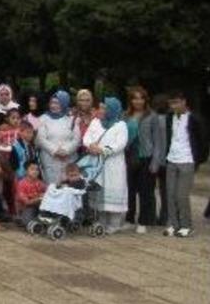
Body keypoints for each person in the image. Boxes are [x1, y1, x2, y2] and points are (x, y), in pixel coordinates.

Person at [162, 90, 207, 238]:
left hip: (187, 160)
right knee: (170, 194)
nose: (173, 106)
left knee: (181, 195)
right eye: (171, 103)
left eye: (176, 102)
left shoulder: (194, 119)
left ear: (184, 102)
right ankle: (172, 224)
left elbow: (203, 141)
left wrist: (198, 160)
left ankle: (186, 225)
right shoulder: (170, 117)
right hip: (171, 159)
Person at [83, 97, 129, 234]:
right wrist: (90, 145)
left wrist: (102, 150)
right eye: (100, 107)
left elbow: (120, 144)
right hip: (97, 164)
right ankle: (101, 222)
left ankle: (114, 224)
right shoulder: (96, 122)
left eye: (104, 108)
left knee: (113, 190)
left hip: (113, 165)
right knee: (100, 191)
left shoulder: (121, 125)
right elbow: (87, 137)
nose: (101, 110)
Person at [124, 86, 164, 234]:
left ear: (145, 99)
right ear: (131, 100)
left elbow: (158, 141)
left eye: (141, 98)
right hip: (129, 156)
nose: (138, 101)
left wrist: (155, 162)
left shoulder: (152, 116)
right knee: (130, 191)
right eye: (135, 98)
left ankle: (143, 221)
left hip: (146, 157)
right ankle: (129, 219)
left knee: (145, 191)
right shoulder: (125, 116)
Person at [35, 91, 79, 185]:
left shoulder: (72, 119)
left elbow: (77, 139)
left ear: (64, 103)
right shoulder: (42, 119)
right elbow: (41, 139)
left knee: (68, 188)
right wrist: (55, 151)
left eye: (57, 103)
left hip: (68, 159)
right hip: (50, 159)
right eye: (52, 103)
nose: (53, 106)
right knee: (52, 189)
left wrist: (66, 151)